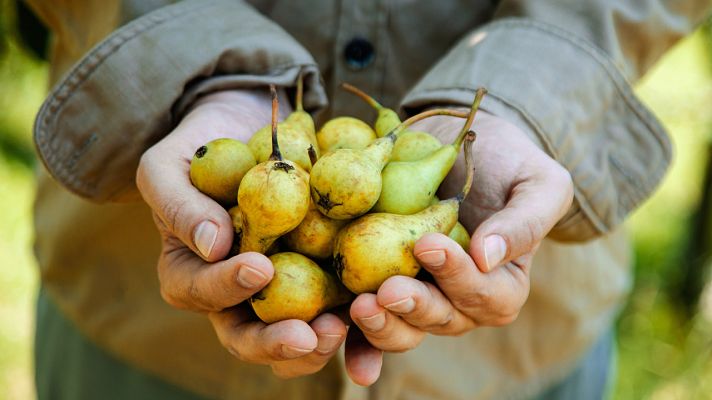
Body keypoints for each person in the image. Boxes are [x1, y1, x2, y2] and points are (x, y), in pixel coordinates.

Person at [26, 0, 711, 399]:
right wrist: (196, 71)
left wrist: (526, 96)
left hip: (512, 364)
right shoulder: (324, 184)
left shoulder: (349, 186)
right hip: (145, 339)